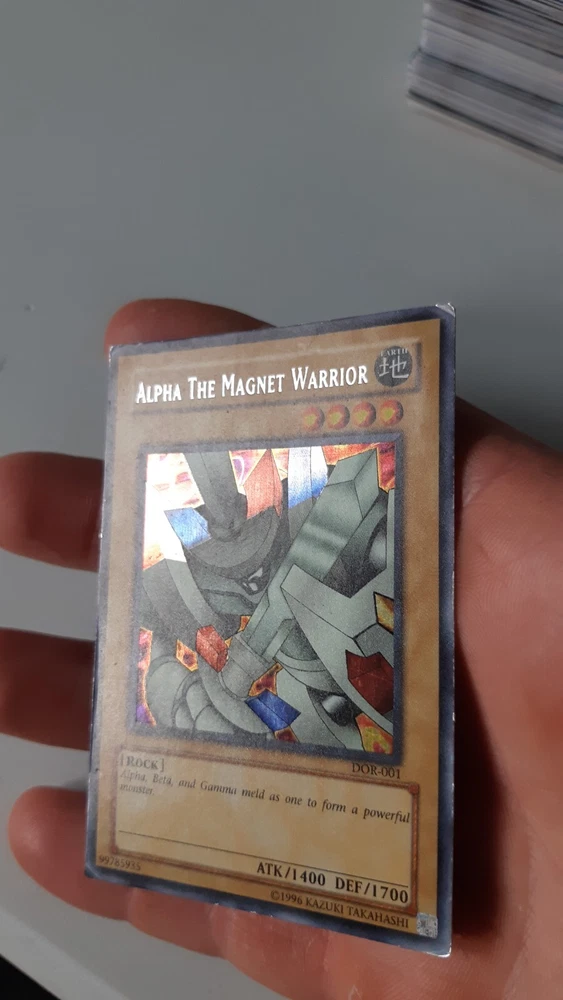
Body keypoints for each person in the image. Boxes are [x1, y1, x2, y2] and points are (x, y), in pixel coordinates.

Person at [0, 299, 561, 999]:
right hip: (261, 715)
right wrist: (213, 670)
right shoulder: (192, 599)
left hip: (334, 711)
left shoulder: (320, 520)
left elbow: (354, 501)